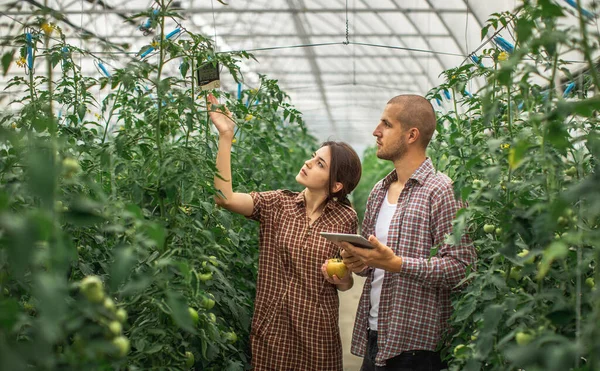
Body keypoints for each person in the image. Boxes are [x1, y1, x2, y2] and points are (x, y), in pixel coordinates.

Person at [207, 94, 362, 371]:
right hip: (273, 330)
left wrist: (341, 278)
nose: (308, 162)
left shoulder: (345, 218)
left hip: (316, 332)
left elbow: (346, 281)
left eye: (320, 164)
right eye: (313, 157)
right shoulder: (276, 204)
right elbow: (224, 198)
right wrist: (226, 136)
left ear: (336, 185)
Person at [340, 95, 477, 371]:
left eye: (386, 124)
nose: (376, 131)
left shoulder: (442, 191)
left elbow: (463, 268)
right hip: (374, 334)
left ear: (412, 135)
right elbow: (370, 265)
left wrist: (397, 264)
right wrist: (357, 261)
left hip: (417, 346)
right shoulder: (380, 189)